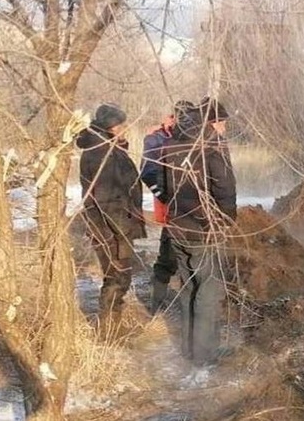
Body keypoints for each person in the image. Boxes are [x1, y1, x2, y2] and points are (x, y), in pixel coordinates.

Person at [156, 98, 237, 364]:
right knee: (208, 291)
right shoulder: (212, 145)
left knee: (189, 287)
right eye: (222, 122)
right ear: (212, 122)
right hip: (203, 229)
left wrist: (177, 211)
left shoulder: (171, 143)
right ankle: (204, 356)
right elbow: (225, 187)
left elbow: (163, 187)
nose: (224, 127)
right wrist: (226, 219)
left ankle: (190, 349)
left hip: (177, 227)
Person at [76, 103, 146, 339]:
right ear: (110, 127)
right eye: (120, 125)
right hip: (110, 227)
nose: (124, 129)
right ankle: (108, 328)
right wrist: (122, 231)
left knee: (119, 274)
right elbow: (106, 199)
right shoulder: (100, 153)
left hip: (114, 224)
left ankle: (112, 324)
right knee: (117, 275)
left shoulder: (109, 148)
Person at [141, 100, 195, 313]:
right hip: (172, 209)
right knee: (168, 258)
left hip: (194, 210)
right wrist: (166, 197)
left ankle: (190, 306)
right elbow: (148, 172)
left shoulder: (195, 136)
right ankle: (157, 304)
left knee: (192, 260)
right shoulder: (156, 139)